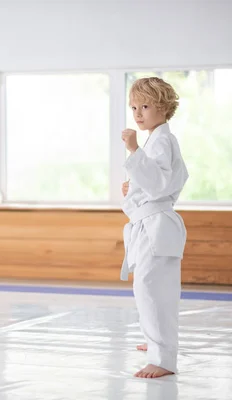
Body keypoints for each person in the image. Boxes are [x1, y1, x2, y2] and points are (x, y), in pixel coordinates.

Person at [120, 77, 189, 378]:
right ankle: (156, 343)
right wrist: (134, 185)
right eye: (134, 106)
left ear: (164, 107)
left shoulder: (161, 140)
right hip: (153, 224)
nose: (138, 113)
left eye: (145, 106)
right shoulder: (159, 139)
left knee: (152, 289)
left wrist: (135, 153)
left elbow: (160, 182)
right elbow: (170, 178)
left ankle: (162, 358)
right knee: (151, 288)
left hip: (156, 226)